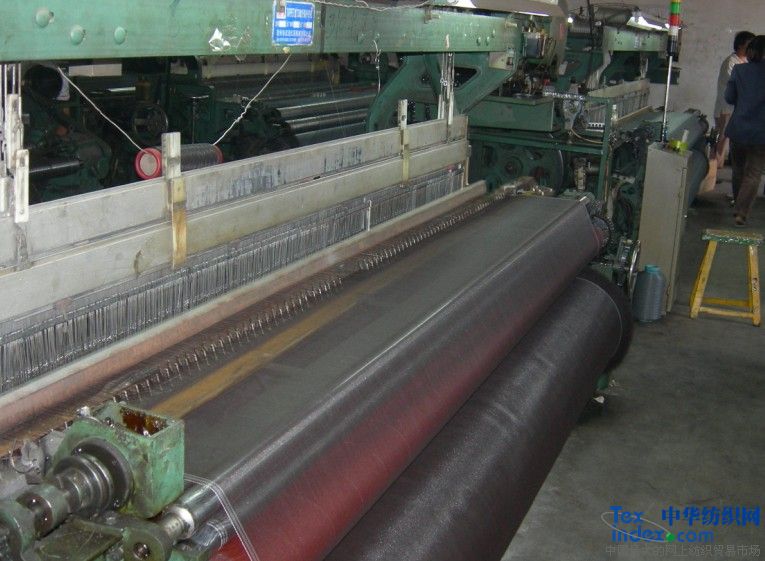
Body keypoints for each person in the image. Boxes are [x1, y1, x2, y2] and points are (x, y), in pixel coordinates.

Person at [725, 35, 765, 226]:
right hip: (761, 132)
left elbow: (729, 97)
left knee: (738, 169)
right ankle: (741, 212)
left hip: (739, 128)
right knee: (754, 173)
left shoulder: (739, 70)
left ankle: (737, 204)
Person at [714, 31, 754, 198]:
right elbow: (737, 87)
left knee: (727, 144)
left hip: (736, 111)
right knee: (721, 142)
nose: (751, 48)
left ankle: (714, 173)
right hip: (727, 110)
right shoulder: (731, 62)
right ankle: (711, 175)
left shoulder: (744, 62)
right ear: (740, 45)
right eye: (749, 45)